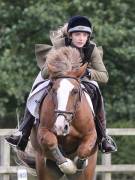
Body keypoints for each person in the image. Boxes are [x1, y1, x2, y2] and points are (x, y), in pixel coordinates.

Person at [5, 15, 117, 153]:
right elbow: (46, 72)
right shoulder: (60, 45)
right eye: (77, 34)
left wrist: (88, 73)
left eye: (84, 35)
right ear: (70, 35)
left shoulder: (91, 49)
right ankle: (22, 133)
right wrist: (57, 67)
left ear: (88, 36)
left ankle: (103, 137)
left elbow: (104, 76)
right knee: (36, 91)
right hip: (57, 77)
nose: (81, 38)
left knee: (97, 94)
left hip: (81, 78)